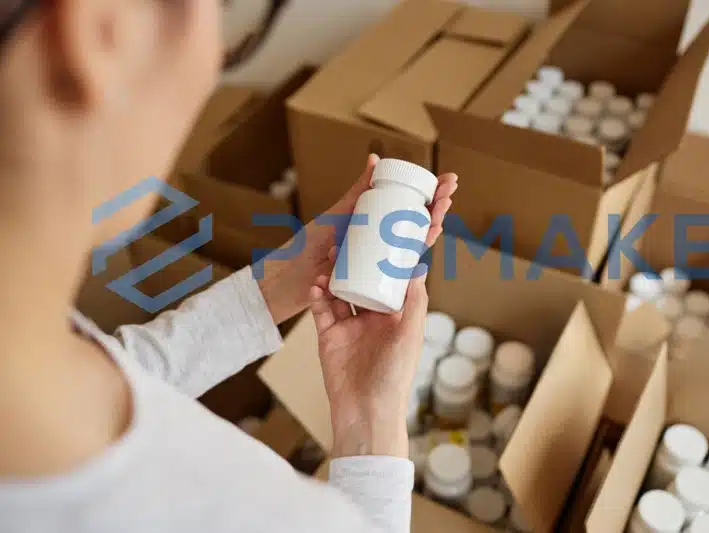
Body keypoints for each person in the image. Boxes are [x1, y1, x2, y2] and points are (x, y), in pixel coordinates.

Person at [0, 1, 458, 532]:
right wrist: (372, 425)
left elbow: (117, 376)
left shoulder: (35, 359)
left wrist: (278, 286)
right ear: (102, 28)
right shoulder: (261, 516)